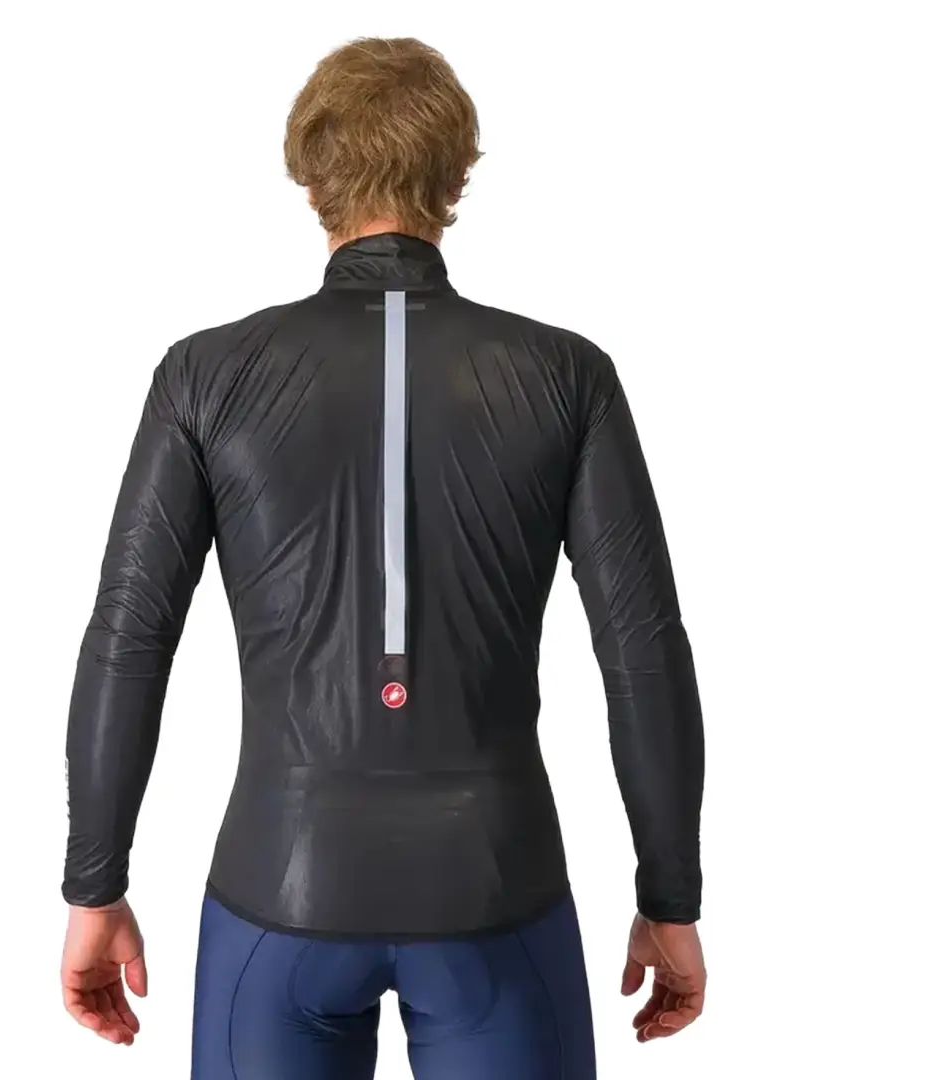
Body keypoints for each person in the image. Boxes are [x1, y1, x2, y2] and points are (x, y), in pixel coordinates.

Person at [60, 35, 707, 1080]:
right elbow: (644, 650)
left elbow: (127, 641)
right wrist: (669, 900)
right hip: (497, 890)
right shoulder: (567, 377)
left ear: (310, 174)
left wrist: (94, 888)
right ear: (455, 175)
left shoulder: (204, 376)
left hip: (279, 890)